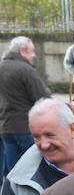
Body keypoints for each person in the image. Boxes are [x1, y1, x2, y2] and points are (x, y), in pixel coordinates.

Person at [0, 36, 51, 175]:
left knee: (13, 171)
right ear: (22, 51)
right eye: (32, 51)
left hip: (6, 129)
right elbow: (43, 99)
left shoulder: (1, 67)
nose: (34, 55)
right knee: (34, 170)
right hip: (25, 127)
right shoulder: (26, 70)